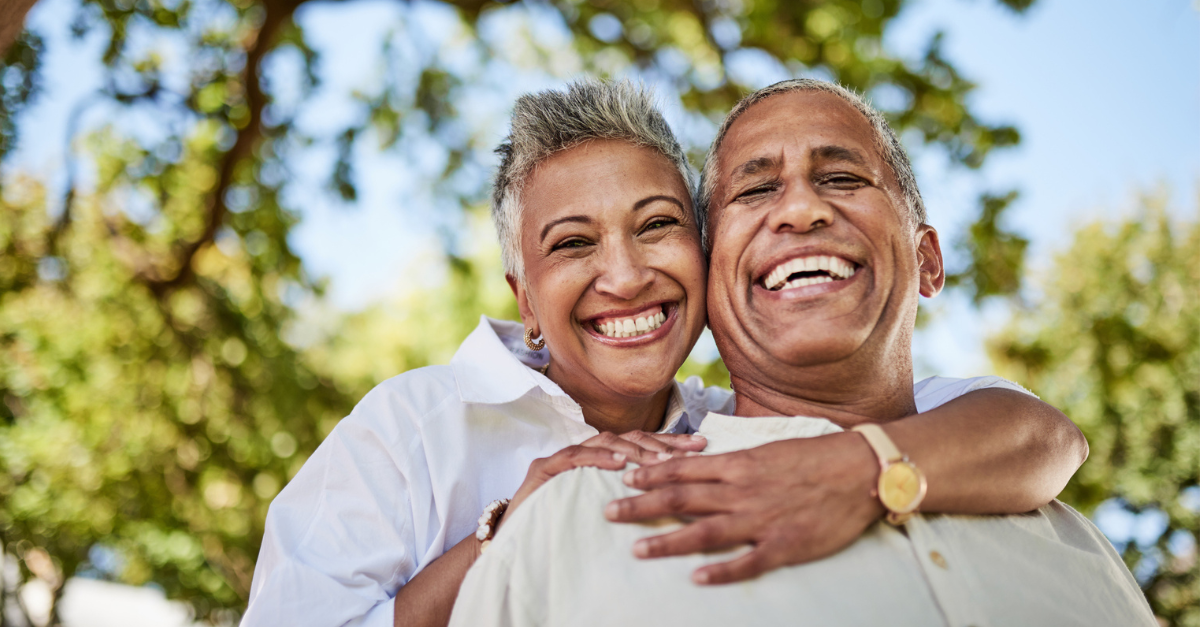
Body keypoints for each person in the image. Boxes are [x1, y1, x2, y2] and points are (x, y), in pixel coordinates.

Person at [241, 80, 1089, 627]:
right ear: (524, 298)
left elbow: (1035, 433)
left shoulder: (740, 423)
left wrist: (857, 469)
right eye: (573, 244)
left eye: (657, 226)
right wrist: (505, 528)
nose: (625, 273)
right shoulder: (419, 423)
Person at [446, 79, 1156, 627]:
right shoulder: (576, 519)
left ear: (929, 260)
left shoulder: (1068, 535)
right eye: (755, 190)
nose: (800, 210)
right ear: (706, 267)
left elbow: (1047, 432)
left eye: (842, 177)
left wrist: (869, 468)